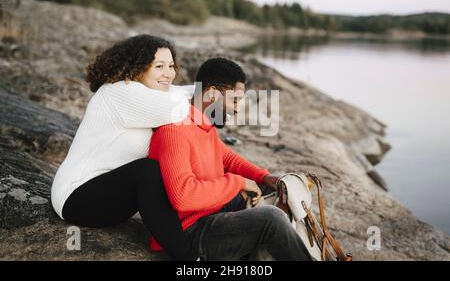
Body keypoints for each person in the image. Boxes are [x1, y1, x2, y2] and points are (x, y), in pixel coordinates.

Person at [50, 34, 198, 261]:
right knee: (148, 170)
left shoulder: (145, 92)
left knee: (167, 161)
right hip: (76, 197)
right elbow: (177, 109)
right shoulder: (120, 92)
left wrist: (205, 90)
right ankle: (188, 259)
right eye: (159, 66)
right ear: (137, 67)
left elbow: (176, 91)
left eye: (171, 66)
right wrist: (204, 94)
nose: (169, 73)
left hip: (108, 196)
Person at [149, 57, 313, 261]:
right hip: (190, 231)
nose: (236, 108)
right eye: (234, 100)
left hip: (211, 210)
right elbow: (183, 197)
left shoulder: (201, 123)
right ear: (210, 93)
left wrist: (264, 177)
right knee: (271, 219)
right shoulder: (174, 130)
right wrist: (238, 183)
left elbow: (227, 158)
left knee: (282, 187)